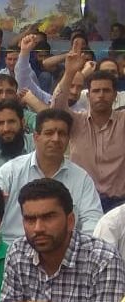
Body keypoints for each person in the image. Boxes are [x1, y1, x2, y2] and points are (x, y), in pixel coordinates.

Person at [0, 108, 104, 244]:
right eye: (49, 133)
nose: (56, 139)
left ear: (68, 139)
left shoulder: (81, 178)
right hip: (11, 247)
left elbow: (92, 221)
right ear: (36, 137)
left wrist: (81, 249)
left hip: (62, 249)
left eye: (62, 134)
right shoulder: (10, 172)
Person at [53, 50, 125, 212]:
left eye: (106, 91)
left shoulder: (123, 120)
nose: (101, 95)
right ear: (88, 96)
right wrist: (69, 73)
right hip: (82, 203)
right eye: (96, 91)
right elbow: (56, 107)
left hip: (120, 205)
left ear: (115, 95)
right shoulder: (76, 122)